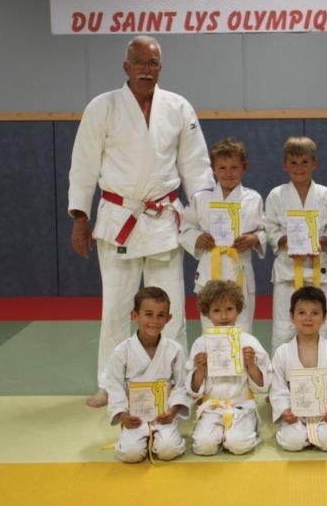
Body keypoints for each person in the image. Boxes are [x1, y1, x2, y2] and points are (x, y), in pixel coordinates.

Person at [68, 35, 214, 407]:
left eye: (153, 63)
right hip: (120, 219)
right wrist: (80, 216)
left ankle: (179, 381)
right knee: (116, 308)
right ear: (126, 66)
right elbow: (83, 165)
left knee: (171, 308)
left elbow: (196, 167)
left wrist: (206, 216)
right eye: (139, 62)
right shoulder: (102, 107)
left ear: (160, 68)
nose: (146, 70)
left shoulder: (178, 107)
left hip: (163, 219)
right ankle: (109, 384)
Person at [264, 136, 327, 354]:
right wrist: (286, 241)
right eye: (293, 162)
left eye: (305, 162)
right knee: (283, 329)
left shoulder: (326, 195)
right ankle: (281, 373)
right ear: (285, 165)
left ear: (314, 163)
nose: (299, 168)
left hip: (317, 270)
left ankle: (320, 372)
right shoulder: (276, 195)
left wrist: (319, 242)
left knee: (319, 327)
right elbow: (269, 228)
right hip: (287, 272)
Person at [180, 137, 266, 333]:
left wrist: (254, 239)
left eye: (234, 167)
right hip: (210, 270)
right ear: (213, 169)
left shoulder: (253, 198)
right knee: (210, 330)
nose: (228, 173)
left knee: (242, 330)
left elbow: (263, 230)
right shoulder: (200, 198)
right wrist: (197, 238)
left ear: (245, 167)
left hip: (239, 270)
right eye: (222, 168)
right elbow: (185, 227)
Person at [102, 287, 191, 462]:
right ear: (134, 315)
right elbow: (114, 385)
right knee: (130, 455)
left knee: (168, 451)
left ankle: (161, 438)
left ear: (168, 318)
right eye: (148, 314)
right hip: (135, 415)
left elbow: (182, 384)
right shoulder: (122, 350)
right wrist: (122, 415)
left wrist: (172, 411)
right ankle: (141, 438)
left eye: (161, 315)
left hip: (163, 414)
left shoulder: (175, 349)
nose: (154, 321)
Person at [186, 280, 271, 455]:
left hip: (241, 405)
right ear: (207, 313)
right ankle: (217, 433)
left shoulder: (249, 342)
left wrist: (251, 364)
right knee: (204, 447)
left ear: (238, 310)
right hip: (211, 407)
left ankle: (249, 425)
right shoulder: (201, 344)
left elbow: (263, 386)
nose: (223, 316)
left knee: (238, 445)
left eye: (229, 309)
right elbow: (193, 389)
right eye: (216, 310)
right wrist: (200, 369)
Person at [270, 286, 327, 452]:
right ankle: (304, 434)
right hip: (295, 413)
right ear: (292, 316)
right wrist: (284, 410)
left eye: (315, 313)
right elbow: (278, 389)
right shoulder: (282, 352)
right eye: (301, 312)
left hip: (326, 412)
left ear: (324, 317)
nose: (308, 318)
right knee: (292, 443)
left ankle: (321, 433)